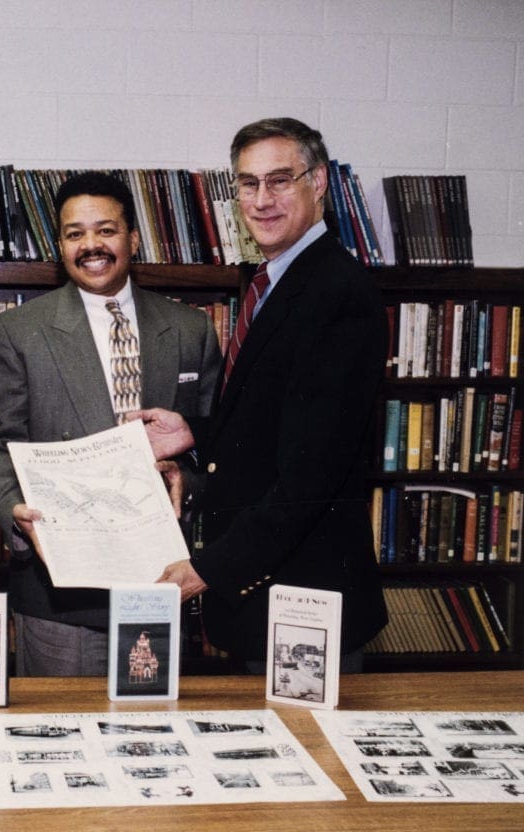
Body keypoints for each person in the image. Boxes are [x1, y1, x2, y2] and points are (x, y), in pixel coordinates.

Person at [157, 117, 389, 669]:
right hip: (262, 601)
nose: (262, 199)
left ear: (320, 182)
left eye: (280, 180)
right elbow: (281, 427)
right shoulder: (276, 279)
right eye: (248, 183)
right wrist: (196, 431)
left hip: (303, 605)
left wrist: (208, 569)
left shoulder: (338, 293)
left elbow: (312, 475)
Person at [0, 171, 221, 677]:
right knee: (61, 743)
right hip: (60, 592)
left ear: (133, 238)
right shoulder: (16, 332)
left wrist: (188, 481)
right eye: (74, 234)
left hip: (161, 582)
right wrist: (13, 512)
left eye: (105, 230)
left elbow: (211, 443)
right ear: (60, 245)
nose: (91, 245)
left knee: (157, 742)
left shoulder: (191, 329)